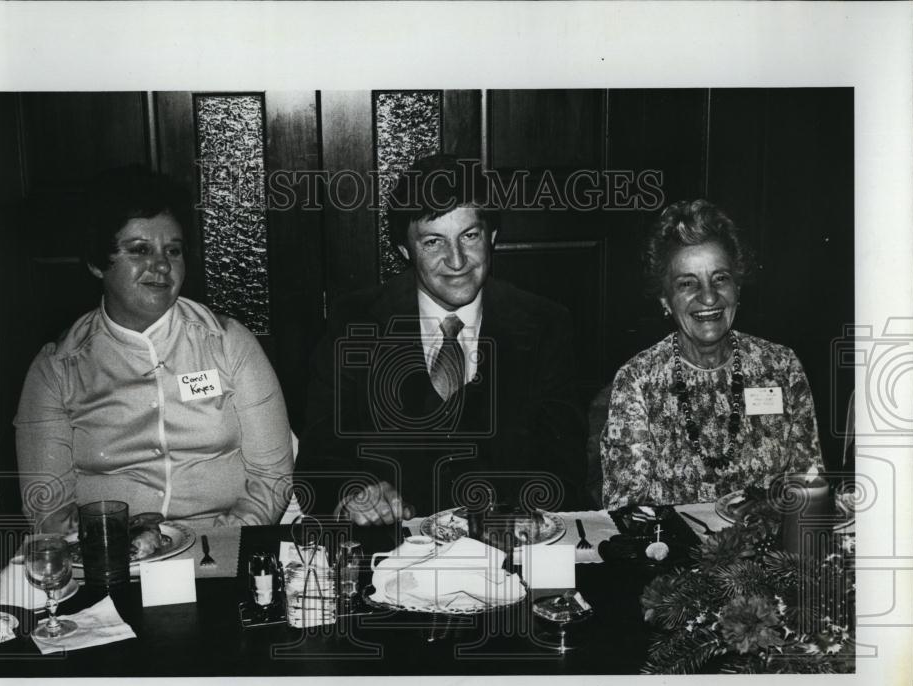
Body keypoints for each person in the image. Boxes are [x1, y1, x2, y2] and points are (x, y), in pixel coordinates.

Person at [295, 154, 590, 525]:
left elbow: (565, 465)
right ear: (405, 250)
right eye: (433, 242)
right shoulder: (354, 321)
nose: (456, 261)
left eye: (469, 236)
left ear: (492, 237)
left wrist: (516, 512)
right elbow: (319, 458)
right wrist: (356, 495)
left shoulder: (545, 324)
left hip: (507, 549)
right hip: (394, 551)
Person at [15, 166, 293, 533]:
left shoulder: (228, 343)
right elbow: (46, 504)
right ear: (98, 263)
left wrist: (225, 542)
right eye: (140, 250)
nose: (161, 265)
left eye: (173, 251)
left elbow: (271, 477)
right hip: (110, 556)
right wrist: (117, 550)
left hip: (221, 545)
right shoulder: (58, 367)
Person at [600, 199, 824, 509]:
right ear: (665, 299)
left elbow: (809, 485)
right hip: (673, 553)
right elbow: (627, 508)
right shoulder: (638, 380)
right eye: (687, 283)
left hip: (769, 551)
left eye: (720, 278)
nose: (708, 296)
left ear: (738, 288)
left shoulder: (781, 367)